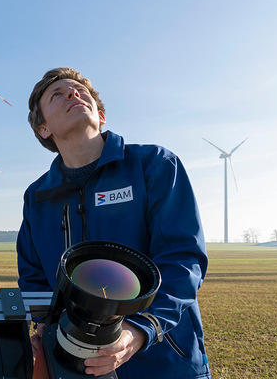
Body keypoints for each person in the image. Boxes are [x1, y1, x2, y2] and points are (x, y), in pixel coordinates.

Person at [17, 68, 211, 378]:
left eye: (81, 91)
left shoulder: (154, 165)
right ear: (43, 129)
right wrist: (46, 325)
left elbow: (182, 259)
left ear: (101, 115)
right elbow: (32, 275)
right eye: (58, 94)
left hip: (164, 363)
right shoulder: (37, 197)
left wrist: (141, 330)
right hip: (75, 365)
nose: (73, 93)